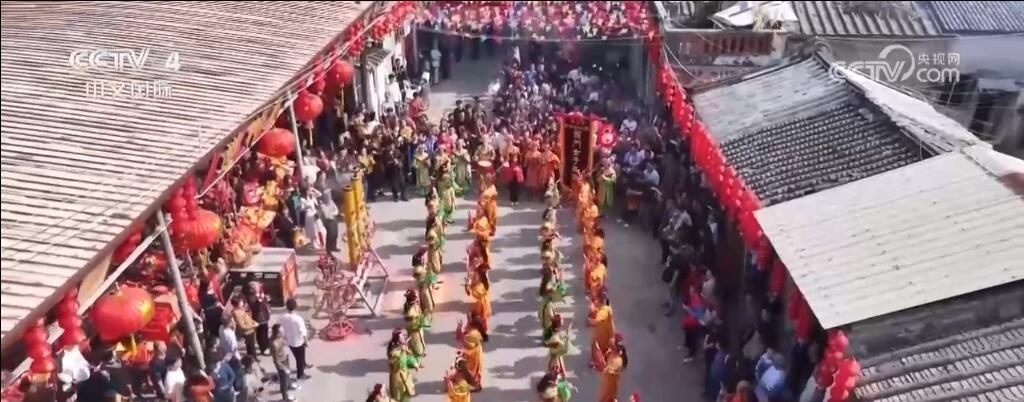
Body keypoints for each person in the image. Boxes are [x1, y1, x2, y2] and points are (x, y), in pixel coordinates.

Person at [277, 298, 310, 380]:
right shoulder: (298, 319)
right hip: (298, 341)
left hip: (288, 340)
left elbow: (279, 328)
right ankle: (300, 374)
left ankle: (303, 364)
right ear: (296, 307)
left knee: (298, 355)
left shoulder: (282, 317)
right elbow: (303, 331)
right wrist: (306, 341)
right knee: (299, 358)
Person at [456, 312, 488, 391]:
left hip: (473, 359)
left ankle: (475, 384)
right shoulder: (474, 332)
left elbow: (467, 345)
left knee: (461, 364)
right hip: (473, 357)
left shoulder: (473, 334)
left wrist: (463, 353)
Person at [387, 329, 418, 401]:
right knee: (399, 393)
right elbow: (394, 360)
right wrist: (400, 349)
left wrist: (415, 364)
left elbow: (408, 356)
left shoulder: (403, 347)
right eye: (401, 338)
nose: (403, 338)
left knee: (407, 391)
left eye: (403, 337)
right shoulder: (393, 350)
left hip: (405, 372)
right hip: (397, 375)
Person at [596, 334, 629, 402]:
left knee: (607, 395)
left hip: (610, 379)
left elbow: (610, 370)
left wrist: (604, 367)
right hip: (611, 378)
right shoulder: (612, 353)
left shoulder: (617, 360)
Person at [588, 290, 614, 369]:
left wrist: (590, 321)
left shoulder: (604, 311)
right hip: (606, 331)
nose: (595, 301)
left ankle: (598, 362)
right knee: (602, 347)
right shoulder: (606, 307)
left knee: (596, 347)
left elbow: (596, 321)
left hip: (603, 333)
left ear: (600, 300)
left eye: (596, 299)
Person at [269, 324, 296, 401]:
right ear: (277, 333)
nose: (283, 332)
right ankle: (285, 397)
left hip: (285, 357)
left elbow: (284, 342)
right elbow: (276, 359)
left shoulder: (280, 337)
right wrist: (283, 368)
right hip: (281, 362)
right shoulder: (273, 343)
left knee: (287, 375)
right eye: (281, 331)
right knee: (283, 379)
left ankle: (289, 385)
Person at [403, 289, 428, 359]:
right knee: (415, 343)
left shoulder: (413, 305)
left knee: (420, 340)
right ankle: (417, 356)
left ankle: (421, 353)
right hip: (414, 328)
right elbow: (408, 318)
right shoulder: (410, 310)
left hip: (417, 326)